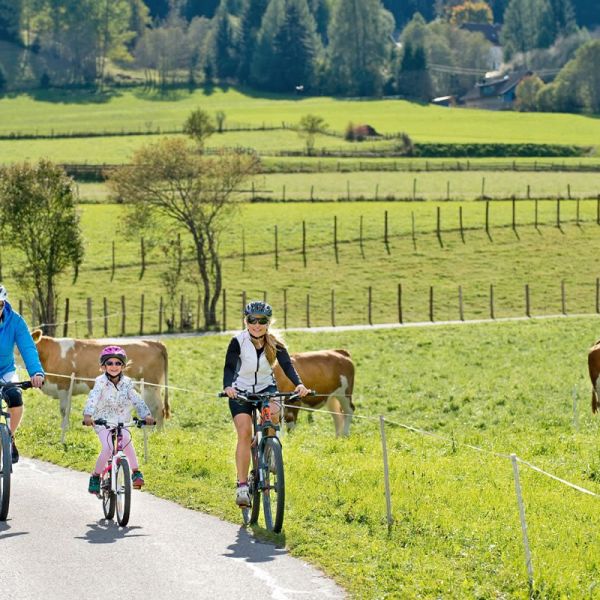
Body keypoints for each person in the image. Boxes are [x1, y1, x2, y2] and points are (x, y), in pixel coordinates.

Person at [222, 300, 309, 507]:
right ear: (246, 320)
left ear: (268, 323)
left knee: (275, 411)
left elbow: (288, 366)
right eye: (252, 320)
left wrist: (299, 385)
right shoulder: (238, 341)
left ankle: (270, 453)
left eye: (262, 321)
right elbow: (229, 366)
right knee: (244, 433)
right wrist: (228, 387)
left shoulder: (275, 343)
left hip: (266, 389)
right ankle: (242, 486)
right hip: (240, 392)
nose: (257, 325)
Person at [83, 345, 155, 494]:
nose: (114, 366)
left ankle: (135, 472)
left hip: (122, 420)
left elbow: (136, 399)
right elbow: (93, 398)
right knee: (108, 447)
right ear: (103, 366)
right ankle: (95, 476)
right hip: (103, 421)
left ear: (123, 365)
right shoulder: (100, 382)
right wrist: (88, 415)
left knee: (127, 440)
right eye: (110, 363)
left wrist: (146, 415)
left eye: (118, 363)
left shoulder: (127, 383)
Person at [0, 284, 45, 463]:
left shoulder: (15, 321)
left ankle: (9, 436)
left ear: (4, 303)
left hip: (6, 371)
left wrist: (36, 373)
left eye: (0, 304)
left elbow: (27, 347)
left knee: (15, 397)